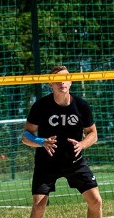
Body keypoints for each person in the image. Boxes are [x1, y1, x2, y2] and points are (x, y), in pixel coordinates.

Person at [22, 65, 102, 218]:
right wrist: (41, 141)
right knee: (39, 207)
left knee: (96, 201)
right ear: (50, 84)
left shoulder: (81, 106)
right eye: (57, 80)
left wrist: (82, 144)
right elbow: (26, 135)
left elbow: (93, 133)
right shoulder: (41, 106)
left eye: (65, 79)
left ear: (71, 82)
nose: (62, 83)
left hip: (75, 162)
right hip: (46, 164)